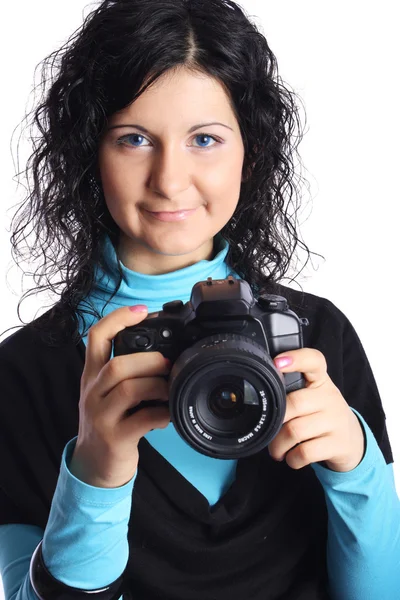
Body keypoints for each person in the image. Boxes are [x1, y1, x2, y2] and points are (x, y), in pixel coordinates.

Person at [0, 0, 399, 599]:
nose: (169, 179)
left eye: (205, 139)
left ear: (251, 152)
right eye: (134, 139)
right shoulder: (24, 373)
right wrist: (95, 472)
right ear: (90, 155)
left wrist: (357, 469)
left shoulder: (316, 335)